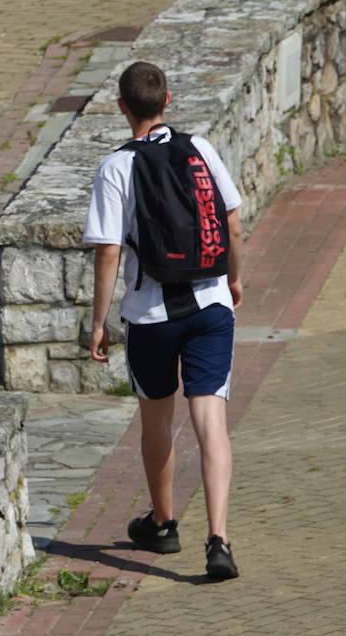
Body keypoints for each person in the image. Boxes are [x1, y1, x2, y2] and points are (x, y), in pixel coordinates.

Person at [83, 61, 243, 581]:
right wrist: (233, 280)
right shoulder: (200, 147)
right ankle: (218, 539)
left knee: (157, 419)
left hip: (151, 315)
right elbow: (232, 222)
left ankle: (164, 522)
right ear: (168, 100)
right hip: (210, 303)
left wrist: (99, 321)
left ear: (121, 106)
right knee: (210, 420)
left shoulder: (116, 167)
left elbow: (108, 253)